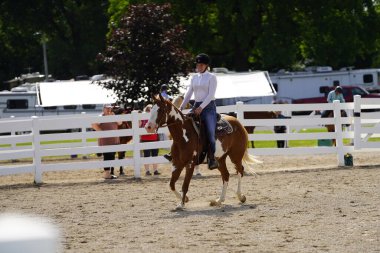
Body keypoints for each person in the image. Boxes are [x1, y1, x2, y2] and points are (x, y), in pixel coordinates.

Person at [180, 53, 219, 170]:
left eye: (201, 64)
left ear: (206, 65)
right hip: (196, 105)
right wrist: (181, 107)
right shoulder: (194, 77)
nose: (199, 66)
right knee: (182, 125)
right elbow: (189, 93)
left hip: (208, 107)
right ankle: (176, 152)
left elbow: (211, 94)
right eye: (198, 64)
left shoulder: (212, 77)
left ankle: (212, 159)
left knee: (211, 134)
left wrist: (201, 107)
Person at [92, 104, 122, 179]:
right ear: (103, 109)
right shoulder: (101, 117)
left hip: (114, 140)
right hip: (106, 141)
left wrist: (114, 115)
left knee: (112, 156)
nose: (109, 110)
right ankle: (106, 174)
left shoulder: (113, 116)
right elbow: (93, 124)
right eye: (107, 108)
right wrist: (101, 132)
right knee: (107, 156)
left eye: (110, 108)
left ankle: (108, 173)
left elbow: (120, 123)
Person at [140, 104, 160, 176]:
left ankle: (155, 170)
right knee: (147, 155)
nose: (149, 109)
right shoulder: (142, 116)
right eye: (148, 108)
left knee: (155, 155)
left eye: (151, 108)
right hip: (145, 139)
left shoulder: (155, 117)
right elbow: (140, 126)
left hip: (154, 138)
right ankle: (147, 171)